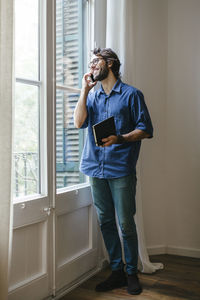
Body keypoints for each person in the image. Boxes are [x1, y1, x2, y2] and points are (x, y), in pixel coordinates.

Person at [74, 48, 153, 295]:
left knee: (126, 223)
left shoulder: (132, 94)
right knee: (105, 221)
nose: (92, 66)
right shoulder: (93, 96)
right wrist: (84, 90)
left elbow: (146, 129)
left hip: (121, 169)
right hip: (94, 167)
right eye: (90, 63)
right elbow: (78, 122)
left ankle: (131, 273)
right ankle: (116, 271)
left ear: (110, 63)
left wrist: (119, 139)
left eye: (95, 62)